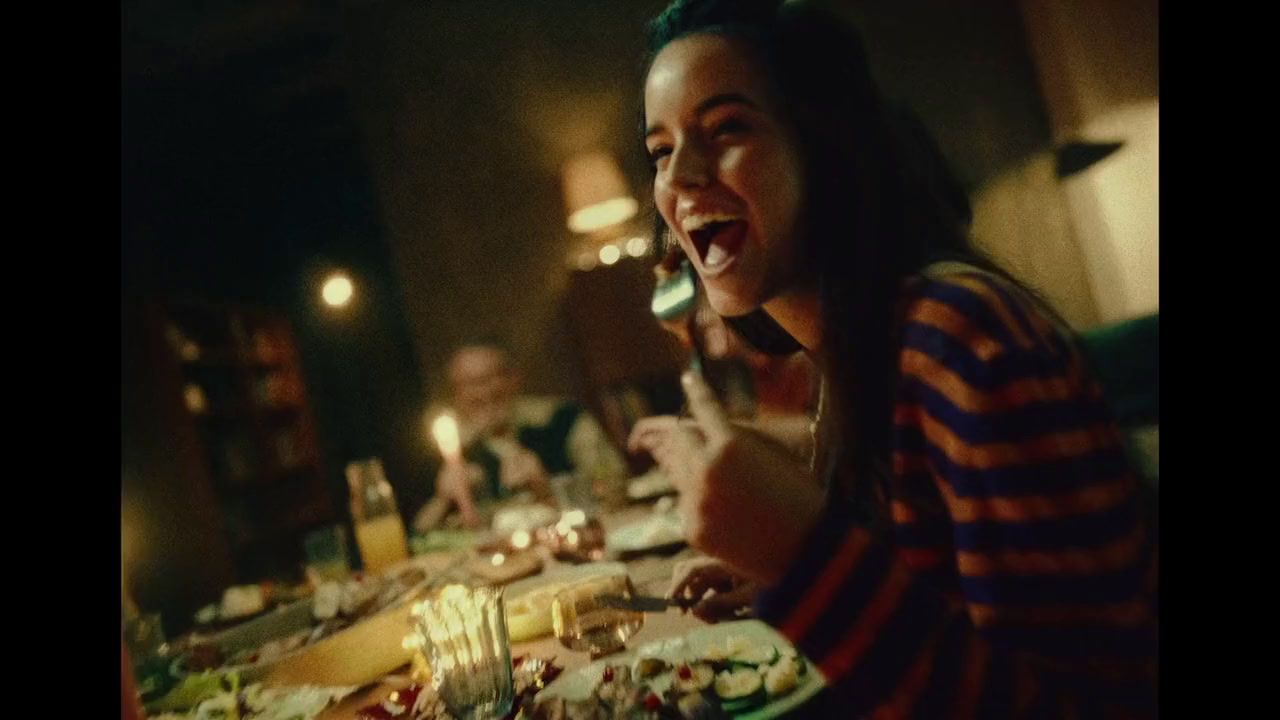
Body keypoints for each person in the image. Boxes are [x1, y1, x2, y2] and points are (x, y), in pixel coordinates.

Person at [627, 1, 1157, 716]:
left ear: (823, 147)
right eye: (660, 150)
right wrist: (780, 580)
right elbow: (945, 595)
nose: (681, 177)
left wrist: (809, 563)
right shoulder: (853, 349)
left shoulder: (959, 338)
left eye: (726, 129)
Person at [414, 341, 628, 531]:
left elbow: (618, 486)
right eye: (470, 384)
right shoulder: (452, 447)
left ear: (514, 378)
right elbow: (418, 534)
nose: (483, 393)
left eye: (490, 379)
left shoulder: (564, 420)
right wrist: (443, 500)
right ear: (456, 396)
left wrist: (548, 487)